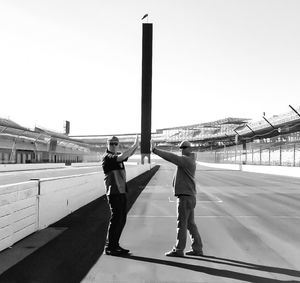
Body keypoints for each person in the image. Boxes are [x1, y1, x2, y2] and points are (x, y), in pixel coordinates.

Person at [151, 140, 203, 257]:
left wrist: (155, 150)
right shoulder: (189, 160)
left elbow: (171, 157)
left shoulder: (185, 160)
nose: (182, 150)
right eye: (181, 148)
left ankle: (179, 250)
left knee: (182, 224)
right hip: (189, 196)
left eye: (184, 147)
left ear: (189, 149)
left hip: (185, 197)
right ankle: (197, 248)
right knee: (190, 224)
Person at [102, 135, 139, 256]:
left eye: (115, 143)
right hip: (113, 192)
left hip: (121, 191)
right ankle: (109, 247)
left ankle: (115, 245)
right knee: (116, 218)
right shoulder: (108, 157)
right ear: (107, 144)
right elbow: (123, 156)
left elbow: (126, 156)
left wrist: (136, 146)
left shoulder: (117, 157)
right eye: (111, 143)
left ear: (118, 145)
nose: (113, 145)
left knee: (121, 219)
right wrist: (134, 145)